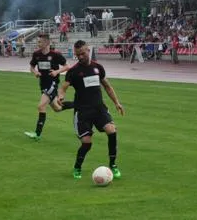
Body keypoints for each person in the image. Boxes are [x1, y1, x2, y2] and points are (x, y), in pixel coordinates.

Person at [58, 40, 124, 180]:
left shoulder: (98, 68)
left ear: (88, 50)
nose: (80, 57)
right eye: (77, 55)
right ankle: (77, 167)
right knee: (87, 143)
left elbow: (107, 86)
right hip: (82, 112)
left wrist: (117, 103)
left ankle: (113, 164)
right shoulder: (73, 71)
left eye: (82, 53)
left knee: (112, 131)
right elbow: (63, 87)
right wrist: (61, 96)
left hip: (99, 109)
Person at [24, 33, 74, 141]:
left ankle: (37, 134)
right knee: (57, 108)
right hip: (43, 84)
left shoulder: (55, 55)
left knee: (41, 106)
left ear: (47, 43)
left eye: (40, 42)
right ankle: (78, 104)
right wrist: (35, 72)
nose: (38, 43)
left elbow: (67, 66)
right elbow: (31, 67)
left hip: (52, 84)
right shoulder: (36, 54)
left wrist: (57, 71)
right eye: (38, 41)